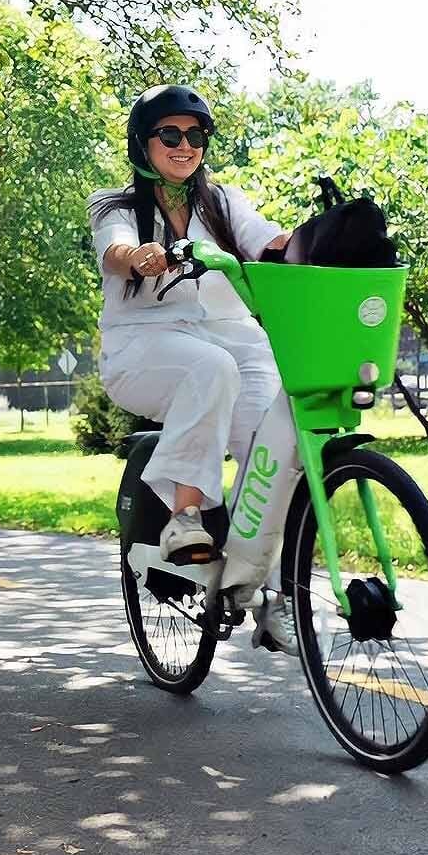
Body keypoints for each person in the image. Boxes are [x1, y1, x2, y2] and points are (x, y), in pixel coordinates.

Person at [91, 84, 298, 644]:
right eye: (170, 135)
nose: (185, 145)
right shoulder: (116, 205)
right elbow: (114, 247)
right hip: (144, 344)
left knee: (279, 444)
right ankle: (184, 520)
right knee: (210, 369)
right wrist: (138, 255)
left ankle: (275, 593)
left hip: (238, 340)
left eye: (196, 135)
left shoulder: (223, 201)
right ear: (143, 143)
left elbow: (264, 241)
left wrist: (303, 243)